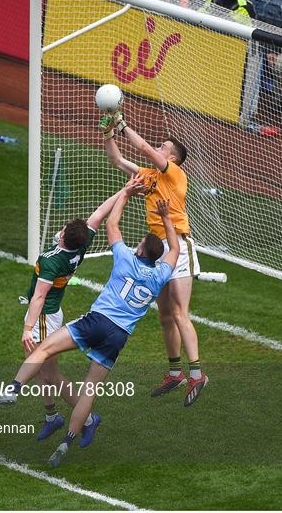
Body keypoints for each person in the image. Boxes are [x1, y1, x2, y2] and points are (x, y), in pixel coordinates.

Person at [0, 175, 179, 468]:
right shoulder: (162, 273)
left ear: (139, 251)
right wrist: (168, 221)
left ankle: (13, 390)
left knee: (44, 350)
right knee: (90, 388)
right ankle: (68, 441)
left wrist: (126, 194)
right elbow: (174, 250)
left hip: (96, 321)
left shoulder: (125, 257)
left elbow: (112, 223)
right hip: (119, 335)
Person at [2, 185, 138, 444]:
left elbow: (40, 297)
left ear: (64, 237)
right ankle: (53, 417)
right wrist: (125, 192)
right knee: (45, 372)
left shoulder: (52, 259)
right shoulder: (81, 245)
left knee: (49, 373)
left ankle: (85, 418)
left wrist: (27, 328)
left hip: (44, 315)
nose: (61, 230)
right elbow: (99, 213)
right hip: (54, 313)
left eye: (63, 229)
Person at [99, 111, 209, 406]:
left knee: (179, 313)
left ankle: (197, 373)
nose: (157, 149)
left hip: (179, 246)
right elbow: (118, 161)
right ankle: (175, 373)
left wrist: (122, 124)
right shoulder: (149, 177)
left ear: (172, 159)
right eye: (159, 145)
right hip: (159, 249)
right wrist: (110, 133)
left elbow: (144, 149)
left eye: (163, 147)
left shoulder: (175, 174)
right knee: (164, 316)